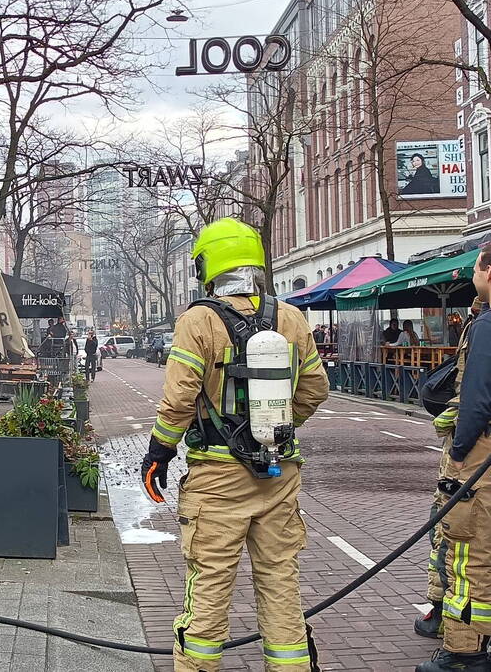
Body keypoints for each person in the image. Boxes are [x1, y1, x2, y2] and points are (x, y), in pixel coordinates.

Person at [138, 218, 329, 672]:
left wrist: (159, 452)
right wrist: (281, 425)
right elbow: (316, 388)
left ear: (208, 264)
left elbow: (181, 397)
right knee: (281, 581)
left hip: (218, 478)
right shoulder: (290, 317)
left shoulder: (198, 320)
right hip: (279, 473)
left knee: (209, 586)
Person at [415, 246, 491, 672]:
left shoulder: (486, 327)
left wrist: (459, 453)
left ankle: (465, 652)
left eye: (476, 268)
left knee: (467, 553)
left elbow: (476, 398)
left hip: (480, 461)